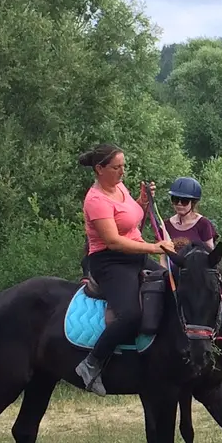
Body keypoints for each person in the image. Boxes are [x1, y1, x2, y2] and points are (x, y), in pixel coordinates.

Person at [75, 144, 176, 395]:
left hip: (134, 255)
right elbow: (113, 241)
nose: (123, 172)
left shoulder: (119, 187)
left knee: (175, 285)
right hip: (109, 261)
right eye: (116, 167)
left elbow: (129, 221)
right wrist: (155, 248)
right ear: (100, 169)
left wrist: (142, 201)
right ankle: (91, 363)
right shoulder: (95, 200)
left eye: (123, 166)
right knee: (130, 314)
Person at [162, 176, 217, 250]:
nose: (179, 204)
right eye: (175, 199)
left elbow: (209, 253)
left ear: (193, 202)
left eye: (184, 201)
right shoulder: (166, 225)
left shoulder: (203, 224)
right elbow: (163, 256)